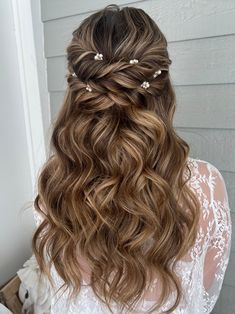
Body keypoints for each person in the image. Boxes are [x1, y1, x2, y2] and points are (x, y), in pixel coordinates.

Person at [32, 4, 232, 314]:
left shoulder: (54, 188)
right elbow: (203, 297)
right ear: (163, 88)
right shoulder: (206, 187)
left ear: (77, 90)